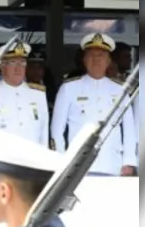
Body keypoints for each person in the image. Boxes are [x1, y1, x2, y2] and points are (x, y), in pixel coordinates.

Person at [50, 33, 138, 177]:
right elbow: (56, 130)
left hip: (111, 164)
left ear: (109, 61)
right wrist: (61, 161)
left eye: (101, 55)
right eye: (91, 55)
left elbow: (129, 130)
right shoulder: (68, 88)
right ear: (84, 59)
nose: (96, 59)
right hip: (76, 166)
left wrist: (128, 162)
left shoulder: (120, 90)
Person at [0, 40, 49, 175]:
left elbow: (43, 132)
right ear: (2, 66)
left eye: (22, 63)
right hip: (1, 167)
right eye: (12, 63)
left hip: (32, 165)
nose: (18, 68)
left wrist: (44, 166)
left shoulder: (39, 94)